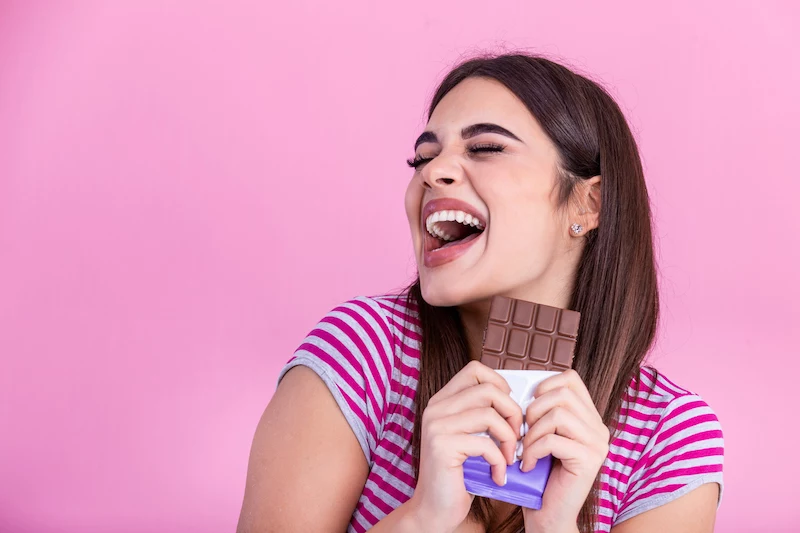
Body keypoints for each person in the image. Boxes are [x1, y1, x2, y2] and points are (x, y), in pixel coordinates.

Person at [236, 52, 724, 533]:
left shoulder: (669, 436)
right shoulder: (364, 353)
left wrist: (556, 527)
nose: (432, 172)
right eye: (423, 157)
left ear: (588, 201)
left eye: (485, 148)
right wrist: (424, 518)